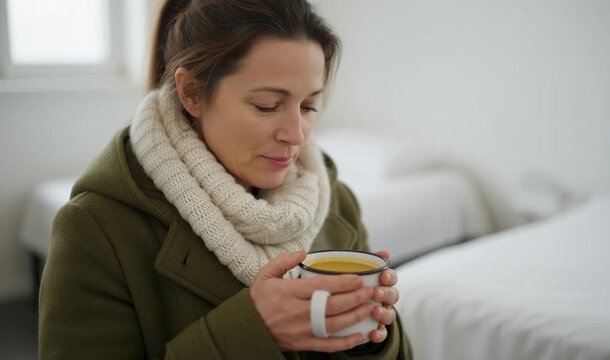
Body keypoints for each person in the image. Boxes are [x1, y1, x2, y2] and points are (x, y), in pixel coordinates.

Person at [39, 0, 412, 358]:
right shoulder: (94, 229)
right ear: (192, 93)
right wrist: (250, 331)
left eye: (309, 106)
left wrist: (368, 338)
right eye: (267, 105)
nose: (296, 134)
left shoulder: (336, 200)